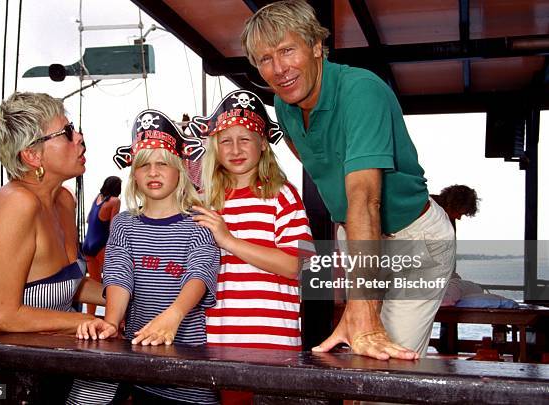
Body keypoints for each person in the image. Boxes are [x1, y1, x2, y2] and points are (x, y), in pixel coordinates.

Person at [240, 0, 455, 359]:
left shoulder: (361, 91)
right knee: (359, 363)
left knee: (385, 372)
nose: (279, 69)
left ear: (315, 46)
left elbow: (363, 200)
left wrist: (365, 312)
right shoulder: (283, 105)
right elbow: (312, 157)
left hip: (413, 237)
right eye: (265, 59)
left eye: (287, 51)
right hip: (356, 234)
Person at [70, 109, 220, 405]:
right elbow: (118, 273)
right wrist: (111, 322)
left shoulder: (200, 222)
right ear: (133, 173)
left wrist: (174, 315)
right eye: (144, 165)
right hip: (138, 369)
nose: (153, 172)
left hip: (190, 372)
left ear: (180, 169)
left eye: (163, 163)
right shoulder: (124, 224)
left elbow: (200, 273)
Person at [188, 90, 313, 404]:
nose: (235, 149)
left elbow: (298, 265)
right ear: (214, 146)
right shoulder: (205, 201)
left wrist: (228, 240)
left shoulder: (282, 195)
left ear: (263, 143)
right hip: (216, 341)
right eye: (225, 140)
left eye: (245, 138)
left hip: (273, 343)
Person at [0, 92, 105, 401]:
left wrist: (123, 295)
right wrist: (86, 321)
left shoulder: (64, 200)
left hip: (63, 361)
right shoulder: (15, 204)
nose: (79, 137)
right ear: (32, 156)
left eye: (73, 128)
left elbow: (68, 286)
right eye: (66, 133)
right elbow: (1, 315)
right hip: (24, 378)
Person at [81, 175, 122, 315]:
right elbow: (113, 226)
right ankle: (118, 319)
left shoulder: (98, 198)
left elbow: (88, 219)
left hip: (87, 245)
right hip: (100, 245)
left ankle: (89, 316)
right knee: (114, 281)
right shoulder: (115, 201)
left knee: (94, 282)